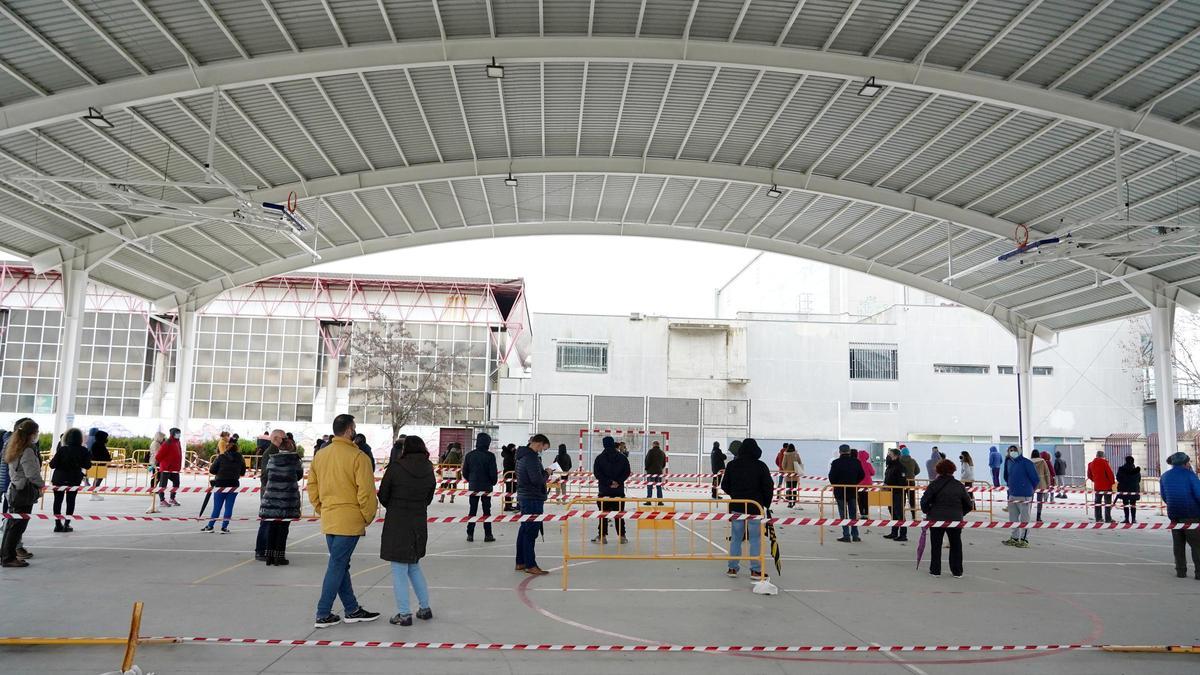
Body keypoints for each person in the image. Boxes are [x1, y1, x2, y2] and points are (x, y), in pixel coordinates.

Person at [308, 414, 381, 629]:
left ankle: (351, 609)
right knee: (337, 565)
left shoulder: (321, 455)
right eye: (354, 428)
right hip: (349, 520)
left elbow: (312, 485)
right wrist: (367, 516)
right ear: (349, 430)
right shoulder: (359, 457)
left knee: (340, 565)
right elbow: (366, 492)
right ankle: (323, 612)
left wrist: (321, 507)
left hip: (330, 517)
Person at [379, 435, 436, 626]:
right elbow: (429, 497)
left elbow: (383, 495)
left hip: (397, 521)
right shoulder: (429, 469)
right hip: (418, 520)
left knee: (399, 569)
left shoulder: (396, 467)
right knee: (414, 566)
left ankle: (404, 614)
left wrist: (394, 505)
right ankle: (425, 607)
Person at [720, 438, 773, 580]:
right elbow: (768, 486)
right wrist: (766, 503)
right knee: (755, 539)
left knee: (736, 538)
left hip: (737, 506)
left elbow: (724, 485)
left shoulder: (732, 465)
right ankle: (755, 570)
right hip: (755, 507)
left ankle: (732, 568)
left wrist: (735, 494)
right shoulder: (761, 466)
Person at [921, 459, 974, 578]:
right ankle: (957, 571)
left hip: (936, 518)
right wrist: (960, 513)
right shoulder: (959, 485)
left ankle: (935, 570)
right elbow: (969, 505)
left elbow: (924, 502)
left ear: (938, 470)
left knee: (936, 545)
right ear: (953, 470)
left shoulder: (934, 484)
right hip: (955, 519)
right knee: (956, 544)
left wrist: (927, 512)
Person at [2, 419, 42, 567]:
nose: (37, 435)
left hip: (14, 489)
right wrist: (41, 485)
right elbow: (32, 473)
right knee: (17, 526)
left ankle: (6, 555)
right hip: (23, 492)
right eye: (36, 432)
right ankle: (8, 558)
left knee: (11, 525)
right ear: (31, 434)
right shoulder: (27, 450)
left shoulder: (14, 447)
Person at [260, 435, 303, 565]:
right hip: (287, 500)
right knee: (283, 529)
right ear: (291, 448)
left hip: (272, 499)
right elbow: (299, 475)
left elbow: (266, 475)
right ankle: (279, 557)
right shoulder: (294, 461)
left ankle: (269, 557)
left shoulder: (271, 460)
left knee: (272, 527)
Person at [515, 434, 551, 576]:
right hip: (532, 498)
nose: (542, 451)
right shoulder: (531, 457)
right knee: (531, 532)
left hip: (525, 496)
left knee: (524, 530)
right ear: (539, 444)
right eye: (543, 448)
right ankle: (530, 564)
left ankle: (521, 561)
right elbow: (536, 480)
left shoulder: (521, 455)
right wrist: (547, 473)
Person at [1160, 452, 1200, 579]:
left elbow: (1164, 496)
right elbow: (1198, 494)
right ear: (1185, 463)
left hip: (1174, 513)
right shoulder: (1190, 476)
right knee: (1196, 545)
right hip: (1191, 513)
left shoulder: (1165, 476)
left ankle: (1181, 571)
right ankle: (1199, 572)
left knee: (1178, 543)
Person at [49, 428, 90, 533]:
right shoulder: (84, 450)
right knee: (70, 501)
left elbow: (52, 465)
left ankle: (57, 524)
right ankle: (67, 524)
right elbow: (87, 465)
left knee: (57, 501)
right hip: (74, 479)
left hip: (59, 478)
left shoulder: (62, 449)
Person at [203, 437, 246, 533]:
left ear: (226, 448)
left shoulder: (221, 457)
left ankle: (210, 526)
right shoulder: (240, 458)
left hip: (220, 484)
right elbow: (243, 472)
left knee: (217, 507)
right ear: (237, 448)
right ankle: (224, 527)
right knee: (229, 507)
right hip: (234, 485)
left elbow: (212, 470)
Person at [592, 436, 631, 544]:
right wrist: (618, 481)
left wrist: (609, 482)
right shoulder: (622, 458)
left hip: (604, 491)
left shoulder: (599, 458)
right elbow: (627, 471)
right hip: (618, 491)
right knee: (619, 514)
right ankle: (622, 536)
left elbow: (597, 474)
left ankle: (602, 536)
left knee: (603, 515)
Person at [255, 429, 286, 562]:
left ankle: (267, 550)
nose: (285, 441)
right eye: (283, 438)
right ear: (276, 438)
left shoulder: (275, 452)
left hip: (273, 493)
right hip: (270, 493)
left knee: (271, 523)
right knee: (266, 522)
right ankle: (261, 551)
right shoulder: (271, 453)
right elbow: (266, 475)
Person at [461, 433, 498, 543]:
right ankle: (488, 534)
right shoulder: (490, 456)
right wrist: (493, 482)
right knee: (487, 511)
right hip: (486, 487)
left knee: (472, 510)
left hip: (473, 486)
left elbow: (465, 472)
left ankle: (470, 534)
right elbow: (493, 473)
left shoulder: (470, 455)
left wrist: (471, 480)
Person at [1002, 446, 1039, 548]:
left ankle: (1024, 539)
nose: (1012, 452)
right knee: (1013, 518)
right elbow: (1007, 476)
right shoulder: (1010, 463)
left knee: (1024, 519)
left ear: (1019, 451)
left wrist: (1028, 490)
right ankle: (1014, 538)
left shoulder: (1027, 463)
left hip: (1025, 495)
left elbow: (1035, 479)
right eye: (1010, 450)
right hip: (1012, 494)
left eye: (1014, 450)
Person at [829, 444, 865, 542]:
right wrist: (854, 482)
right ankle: (855, 535)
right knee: (853, 514)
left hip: (840, 491)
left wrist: (837, 484)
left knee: (843, 513)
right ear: (849, 451)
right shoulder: (856, 462)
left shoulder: (836, 463)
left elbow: (831, 477)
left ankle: (846, 535)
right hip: (852, 491)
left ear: (840, 452)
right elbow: (862, 475)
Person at [882, 448, 908, 542]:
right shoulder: (890, 466)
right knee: (893, 514)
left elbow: (902, 483)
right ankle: (894, 532)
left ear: (896, 456)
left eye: (890, 454)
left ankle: (903, 534)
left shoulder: (900, 467)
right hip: (889, 493)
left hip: (898, 494)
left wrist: (890, 486)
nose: (888, 456)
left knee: (899, 514)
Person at [154, 428, 183, 507]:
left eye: (179, 433)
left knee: (176, 483)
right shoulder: (167, 443)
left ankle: (172, 498)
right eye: (177, 433)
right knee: (163, 485)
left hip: (175, 468)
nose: (179, 434)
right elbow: (159, 455)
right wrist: (155, 463)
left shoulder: (178, 442)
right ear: (173, 434)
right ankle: (162, 500)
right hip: (166, 468)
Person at [1087, 450, 1116, 523]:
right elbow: (1110, 473)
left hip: (1097, 486)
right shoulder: (1104, 462)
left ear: (1096, 455)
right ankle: (1108, 518)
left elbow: (1089, 475)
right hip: (1106, 486)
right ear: (1103, 456)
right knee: (1107, 503)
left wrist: (1095, 480)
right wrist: (1112, 482)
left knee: (1097, 503)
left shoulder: (1091, 464)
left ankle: (1098, 518)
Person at [87, 430, 111, 501]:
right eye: (105, 437)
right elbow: (99, 455)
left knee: (97, 479)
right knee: (98, 479)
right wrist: (107, 458)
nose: (106, 439)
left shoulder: (99, 444)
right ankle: (94, 493)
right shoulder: (98, 445)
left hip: (100, 465)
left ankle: (94, 493)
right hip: (99, 465)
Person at [1117, 456, 1141, 524]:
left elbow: (1118, 478)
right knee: (1133, 504)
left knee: (1125, 504)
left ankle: (1126, 519)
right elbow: (1139, 479)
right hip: (1134, 489)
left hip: (1124, 489)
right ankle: (1133, 519)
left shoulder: (1121, 469)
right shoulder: (1136, 470)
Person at [1030, 449, 1050, 522]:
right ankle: (1038, 516)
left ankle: (1027, 515)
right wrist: (1048, 484)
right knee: (1039, 501)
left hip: (1031, 483)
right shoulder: (1042, 461)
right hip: (1041, 482)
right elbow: (1047, 473)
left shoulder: (1029, 462)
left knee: (1029, 500)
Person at [644, 440, 666, 505]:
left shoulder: (650, 452)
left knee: (650, 486)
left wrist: (647, 468)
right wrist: (660, 468)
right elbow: (664, 463)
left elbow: (647, 461)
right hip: (659, 472)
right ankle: (660, 501)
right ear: (659, 445)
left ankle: (649, 501)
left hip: (651, 472)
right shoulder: (662, 453)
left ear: (653, 445)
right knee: (659, 486)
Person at [780, 444, 802, 508]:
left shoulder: (786, 455)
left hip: (788, 475)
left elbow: (783, 465)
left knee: (789, 489)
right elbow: (800, 463)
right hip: (795, 474)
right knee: (794, 489)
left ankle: (789, 503)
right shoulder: (796, 455)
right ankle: (794, 503)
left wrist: (786, 470)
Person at [898, 446, 920, 512]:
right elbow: (918, 470)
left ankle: (902, 513)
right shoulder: (913, 461)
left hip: (901, 482)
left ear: (901, 453)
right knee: (912, 498)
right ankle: (913, 514)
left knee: (902, 498)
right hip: (911, 482)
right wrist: (912, 475)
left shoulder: (899, 461)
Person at [856, 449, 875, 517]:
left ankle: (862, 513)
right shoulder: (868, 464)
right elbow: (873, 473)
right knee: (866, 499)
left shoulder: (857, 464)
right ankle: (866, 513)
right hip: (867, 485)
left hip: (859, 484)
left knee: (860, 499)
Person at [501, 444, 517, 512]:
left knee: (511, 490)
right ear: (511, 448)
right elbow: (512, 465)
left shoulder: (508, 454)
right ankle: (507, 506)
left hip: (510, 475)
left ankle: (509, 505)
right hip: (510, 475)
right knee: (510, 491)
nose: (515, 449)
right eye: (514, 448)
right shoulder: (509, 456)